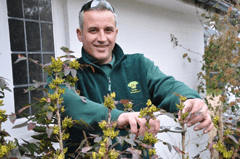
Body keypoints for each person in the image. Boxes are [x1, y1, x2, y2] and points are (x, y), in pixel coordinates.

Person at [58, 0, 213, 158]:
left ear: (115, 33)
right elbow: (68, 103)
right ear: (79, 34)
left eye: (108, 30)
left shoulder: (139, 65)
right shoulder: (66, 73)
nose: (102, 38)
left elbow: (166, 85)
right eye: (93, 30)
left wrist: (190, 100)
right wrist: (118, 117)